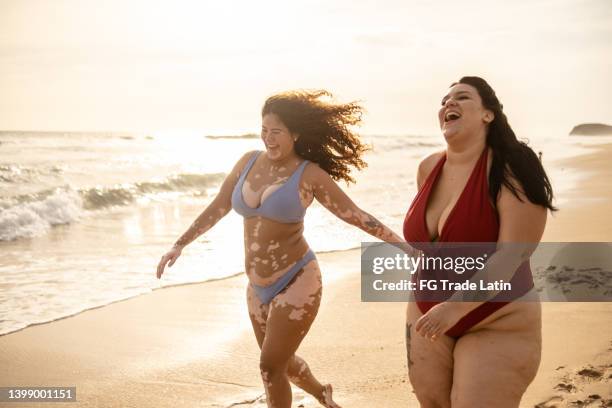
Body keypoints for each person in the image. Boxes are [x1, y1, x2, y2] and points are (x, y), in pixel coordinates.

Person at [156, 90, 404, 408]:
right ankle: (321, 394)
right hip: (257, 285)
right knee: (280, 363)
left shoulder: (309, 174)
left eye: (276, 132)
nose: (268, 139)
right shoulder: (247, 162)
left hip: (297, 279)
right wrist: (178, 245)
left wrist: (404, 248)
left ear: (295, 134)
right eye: (264, 131)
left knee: (269, 366)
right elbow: (219, 205)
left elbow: (356, 216)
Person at [402, 77, 556, 407]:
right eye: (445, 100)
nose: (449, 104)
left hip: (499, 320)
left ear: (488, 114)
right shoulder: (428, 167)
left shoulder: (510, 167)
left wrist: (455, 307)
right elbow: (431, 247)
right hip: (428, 317)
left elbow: (511, 256)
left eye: (461, 97)